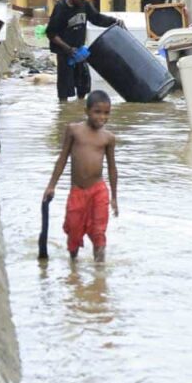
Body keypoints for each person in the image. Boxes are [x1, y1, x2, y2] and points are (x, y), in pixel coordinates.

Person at [43, 90, 119, 263]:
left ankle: (99, 274)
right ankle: (73, 268)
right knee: (74, 228)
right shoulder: (74, 130)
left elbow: (112, 169)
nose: (102, 117)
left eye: (106, 113)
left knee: (99, 230)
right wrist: (51, 185)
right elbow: (62, 159)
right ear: (87, 112)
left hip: (99, 190)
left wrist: (114, 197)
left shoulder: (108, 138)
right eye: (97, 112)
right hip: (77, 190)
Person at [46, 0, 124, 103]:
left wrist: (114, 21)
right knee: (65, 86)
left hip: (80, 50)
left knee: (83, 84)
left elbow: (96, 18)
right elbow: (51, 33)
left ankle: (81, 105)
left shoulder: (84, 5)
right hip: (65, 52)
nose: (83, 1)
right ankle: (63, 109)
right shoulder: (61, 8)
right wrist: (68, 49)